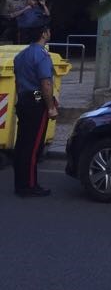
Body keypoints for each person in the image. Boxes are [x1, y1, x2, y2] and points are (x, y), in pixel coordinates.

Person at [13, 24, 58, 197]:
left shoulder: (21, 55)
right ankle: (30, 185)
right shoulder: (41, 55)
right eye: (48, 30)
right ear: (44, 34)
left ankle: (20, 183)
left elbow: (18, 83)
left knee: (22, 144)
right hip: (36, 101)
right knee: (33, 147)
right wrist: (51, 107)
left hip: (24, 99)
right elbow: (45, 84)